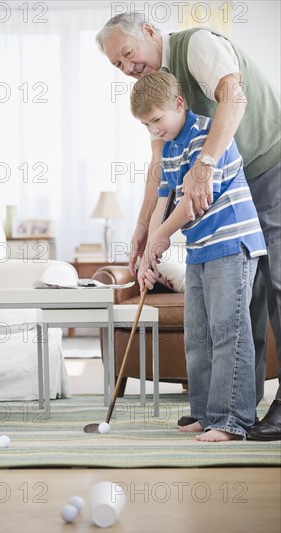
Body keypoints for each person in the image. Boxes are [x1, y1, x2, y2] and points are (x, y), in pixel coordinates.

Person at [96, 13, 281, 440]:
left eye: (127, 54)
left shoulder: (195, 45)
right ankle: (229, 411)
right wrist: (144, 231)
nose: (126, 68)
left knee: (276, 288)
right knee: (241, 308)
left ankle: (236, 417)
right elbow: (160, 169)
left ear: (148, 32)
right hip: (216, 212)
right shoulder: (160, 99)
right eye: (116, 65)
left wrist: (205, 166)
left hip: (269, 164)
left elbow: (234, 97)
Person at [130, 71, 267, 441]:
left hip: (231, 243)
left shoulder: (207, 136)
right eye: (146, 126)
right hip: (200, 250)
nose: (154, 130)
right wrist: (148, 257)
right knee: (198, 336)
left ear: (178, 104)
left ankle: (232, 421)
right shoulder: (171, 147)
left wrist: (161, 236)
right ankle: (206, 413)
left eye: (157, 120)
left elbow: (192, 204)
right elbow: (164, 200)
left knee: (228, 333)